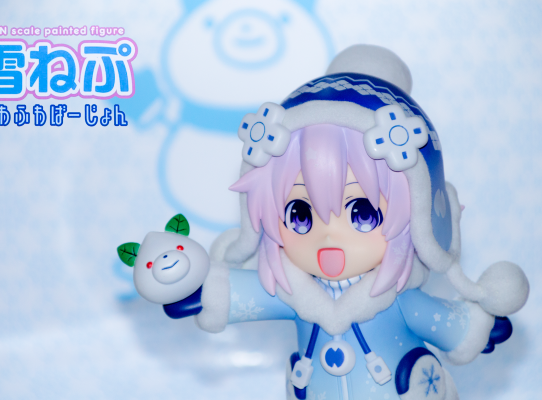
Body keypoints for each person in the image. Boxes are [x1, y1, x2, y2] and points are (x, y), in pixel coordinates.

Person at [127, 45, 529, 400]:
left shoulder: (397, 298)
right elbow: (238, 294)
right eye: (300, 215)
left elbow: (440, 321)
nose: (328, 235)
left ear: (419, 221)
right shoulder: (290, 290)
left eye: (362, 214)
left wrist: (474, 326)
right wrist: (208, 291)